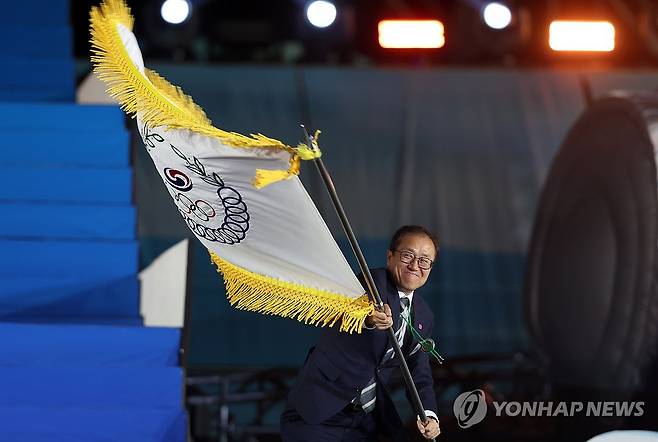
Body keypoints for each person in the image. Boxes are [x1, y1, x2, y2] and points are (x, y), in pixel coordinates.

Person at [281, 225, 441, 441]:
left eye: (424, 260)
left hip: (365, 421)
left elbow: (419, 371)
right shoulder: (372, 283)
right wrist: (368, 318)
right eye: (407, 255)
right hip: (320, 409)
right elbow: (353, 310)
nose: (415, 266)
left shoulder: (424, 316)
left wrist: (429, 415)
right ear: (390, 256)